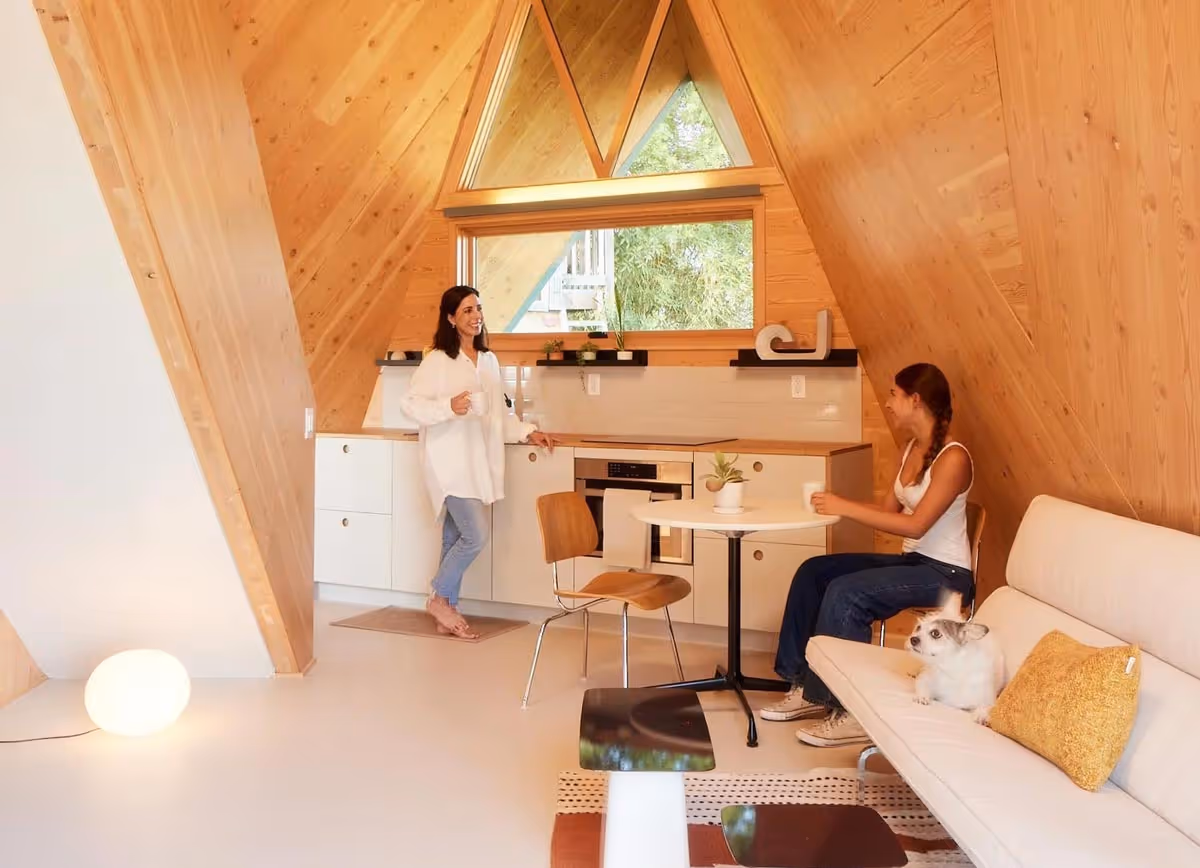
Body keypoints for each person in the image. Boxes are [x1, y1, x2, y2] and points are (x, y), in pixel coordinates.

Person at [759, 362, 975, 748]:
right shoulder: (911, 449)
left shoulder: (954, 458)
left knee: (848, 591)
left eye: (894, 394)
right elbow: (888, 516)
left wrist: (843, 504)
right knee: (814, 572)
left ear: (915, 399)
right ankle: (804, 686)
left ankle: (850, 711)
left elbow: (915, 526)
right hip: (915, 564)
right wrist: (839, 507)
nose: (889, 403)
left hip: (947, 574)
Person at [401, 285, 556, 639]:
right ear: (451, 318)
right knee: (475, 536)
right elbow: (409, 405)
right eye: (467, 310)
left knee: (454, 536)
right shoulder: (438, 360)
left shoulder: (488, 360)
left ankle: (447, 611)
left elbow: (499, 415)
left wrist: (527, 431)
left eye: (478, 309)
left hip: (477, 463)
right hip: (449, 464)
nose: (475, 316)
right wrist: (447, 407)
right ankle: (438, 597)